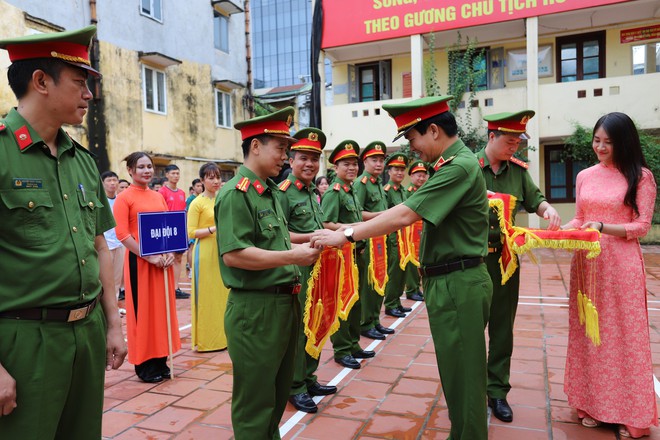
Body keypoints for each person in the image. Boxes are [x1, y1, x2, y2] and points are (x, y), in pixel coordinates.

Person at [311, 96, 493, 439]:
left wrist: (347, 235)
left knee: (465, 380)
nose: (411, 150)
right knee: (455, 376)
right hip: (451, 280)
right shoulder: (453, 164)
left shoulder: (458, 167)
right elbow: (405, 210)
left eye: (412, 139)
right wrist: (348, 230)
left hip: (459, 281)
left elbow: (406, 213)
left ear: (434, 130)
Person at [0, 25, 127, 439]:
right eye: (80, 83)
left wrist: (112, 323)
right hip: (24, 340)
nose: (90, 95)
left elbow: (99, 246)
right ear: (40, 82)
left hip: (86, 333)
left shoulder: (82, 160)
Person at [215, 107, 320, 439]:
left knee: (275, 399)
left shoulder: (271, 192)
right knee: (255, 404)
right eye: (281, 148)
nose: (286, 158)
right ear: (255, 146)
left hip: (281, 305)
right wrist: (293, 256)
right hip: (255, 310)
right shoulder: (236, 193)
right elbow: (233, 255)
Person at [561, 112, 657, 438]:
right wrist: (559, 232)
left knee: (624, 339)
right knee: (590, 335)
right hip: (587, 266)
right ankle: (592, 405)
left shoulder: (640, 177)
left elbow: (641, 227)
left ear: (624, 142)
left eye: (608, 142)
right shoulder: (586, 175)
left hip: (622, 266)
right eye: (597, 140)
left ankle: (630, 413)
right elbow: (579, 219)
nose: (600, 147)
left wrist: (603, 228)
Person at [477, 111, 561, 422]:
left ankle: (497, 391)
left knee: (502, 329)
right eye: (509, 141)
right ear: (491, 137)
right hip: (472, 260)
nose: (514, 147)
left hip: (505, 261)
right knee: (472, 329)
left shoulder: (517, 172)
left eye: (518, 142)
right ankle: (472, 390)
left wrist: (547, 208)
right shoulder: (468, 167)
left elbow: (534, 199)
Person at [278, 128, 338, 414]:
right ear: (291, 161)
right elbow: (281, 234)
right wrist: (313, 236)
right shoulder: (284, 194)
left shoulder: (313, 191)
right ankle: (295, 386)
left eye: (315, 158)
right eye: (303, 157)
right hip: (297, 270)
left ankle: (309, 376)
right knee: (299, 329)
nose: (310, 164)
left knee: (317, 322)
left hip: (318, 268)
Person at [114, 152, 181, 383]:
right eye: (140, 167)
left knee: (161, 310)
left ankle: (161, 359)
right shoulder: (125, 198)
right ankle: (145, 364)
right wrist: (148, 256)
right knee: (142, 312)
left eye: (149, 166)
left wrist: (171, 252)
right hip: (140, 263)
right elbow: (122, 234)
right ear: (130, 171)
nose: (146, 170)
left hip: (161, 263)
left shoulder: (158, 196)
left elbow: (168, 229)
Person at [321, 140, 376, 370]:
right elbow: (326, 222)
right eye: (346, 164)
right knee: (343, 301)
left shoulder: (351, 189)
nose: (352, 168)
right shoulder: (334, 192)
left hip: (358, 253)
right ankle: (342, 348)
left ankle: (354, 343)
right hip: (343, 254)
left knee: (356, 300)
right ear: (336, 167)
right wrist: (349, 229)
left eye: (354, 164)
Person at [354, 141, 393, 340]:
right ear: (365, 161)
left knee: (380, 279)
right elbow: (358, 214)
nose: (378, 164)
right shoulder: (361, 183)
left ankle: (375, 319)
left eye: (381, 160)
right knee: (369, 284)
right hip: (368, 240)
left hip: (380, 239)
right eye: (374, 160)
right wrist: (384, 215)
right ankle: (365, 322)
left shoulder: (377, 183)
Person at [187, 163, 228, 352]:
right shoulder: (197, 203)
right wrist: (213, 229)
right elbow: (191, 232)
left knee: (223, 295)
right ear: (202, 180)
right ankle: (207, 340)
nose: (216, 181)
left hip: (223, 249)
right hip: (204, 252)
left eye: (218, 177)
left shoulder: (222, 198)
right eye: (211, 177)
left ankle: (224, 338)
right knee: (206, 297)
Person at [382, 153, 413, 318]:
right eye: (396, 169)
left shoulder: (402, 191)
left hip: (403, 238)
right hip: (392, 238)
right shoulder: (386, 191)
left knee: (402, 271)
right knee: (394, 272)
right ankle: (390, 304)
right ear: (389, 171)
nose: (400, 173)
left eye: (402, 169)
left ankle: (397, 301)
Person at [158, 164, 190, 299]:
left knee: (178, 258)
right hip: (166, 229)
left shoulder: (182, 193)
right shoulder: (162, 192)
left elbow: (184, 212)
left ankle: (175, 288)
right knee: (166, 259)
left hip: (179, 229)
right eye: (173, 173)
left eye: (177, 173)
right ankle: (164, 287)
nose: (176, 176)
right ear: (167, 175)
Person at [403, 160, 429, 302]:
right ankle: (411, 289)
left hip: (421, 230)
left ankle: (416, 288)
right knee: (412, 262)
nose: (421, 178)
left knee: (419, 260)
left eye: (423, 175)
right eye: (418, 175)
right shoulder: (408, 192)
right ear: (411, 176)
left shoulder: (423, 191)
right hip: (410, 232)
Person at [102, 170, 127, 316]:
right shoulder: (99, 201)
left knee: (117, 279)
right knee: (104, 279)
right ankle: (103, 309)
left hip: (120, 243)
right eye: (109, 181)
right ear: (103, 183)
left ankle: (114, 308)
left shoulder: (121, 200)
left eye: (114, 180)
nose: (112, 183)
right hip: (104, 245)